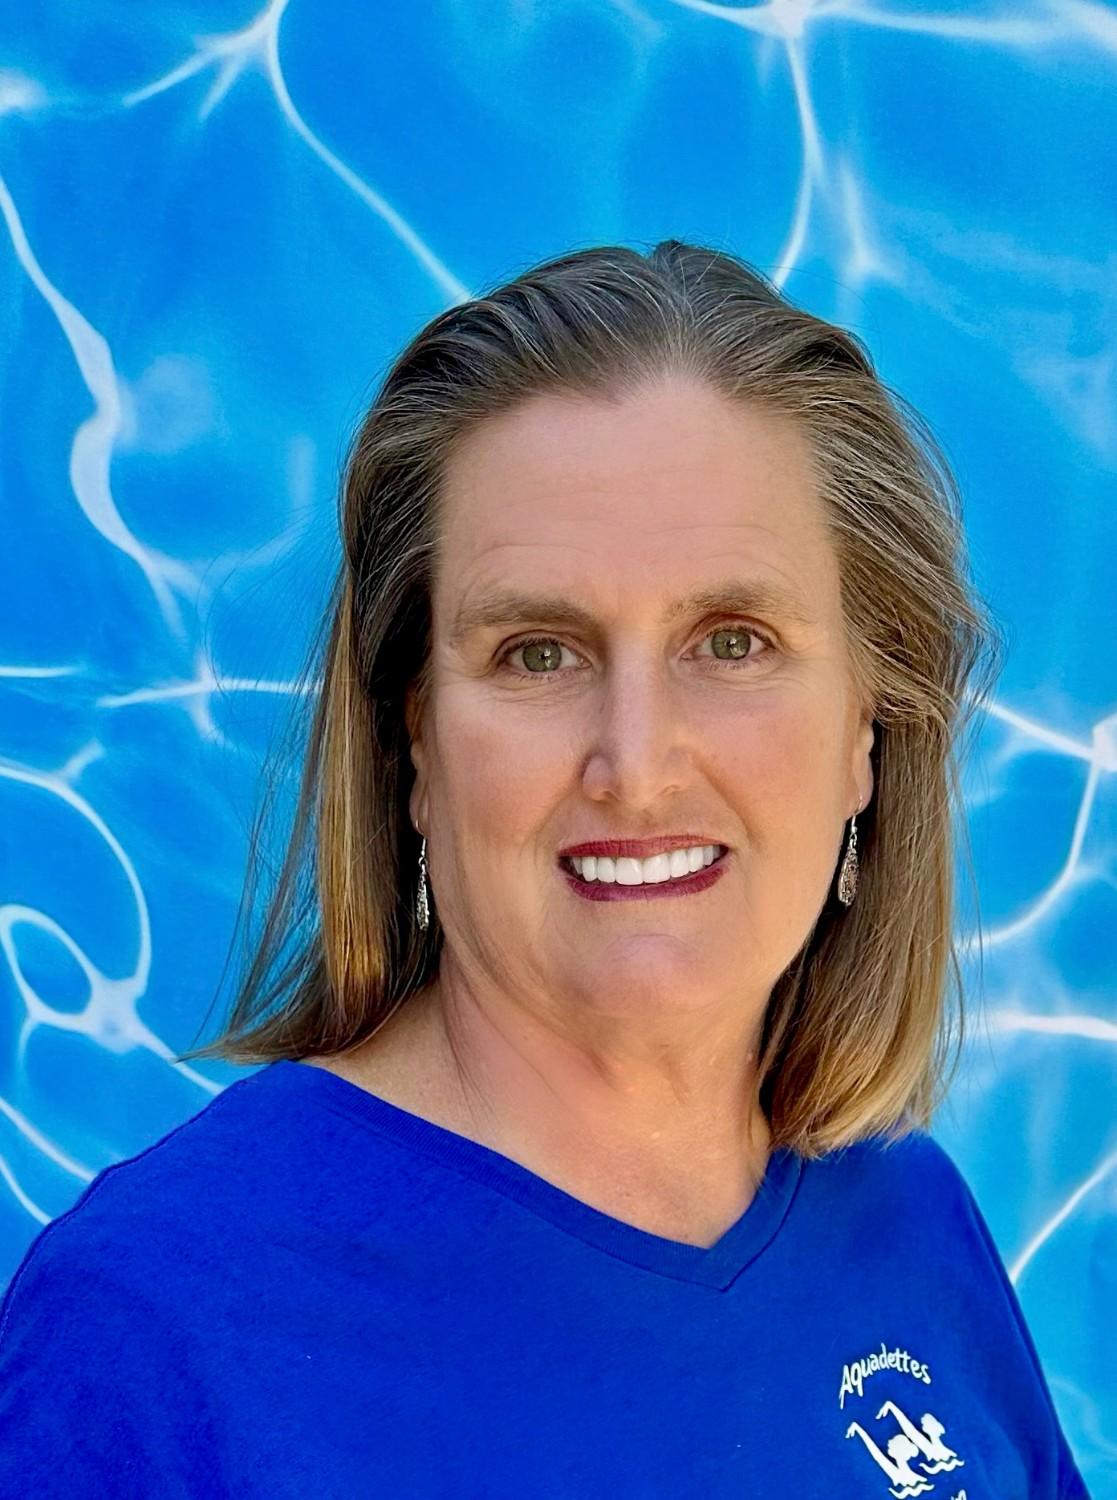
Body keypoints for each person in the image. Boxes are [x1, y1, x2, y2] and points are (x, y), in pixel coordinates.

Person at [0, 240, 1091, 1497]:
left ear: (867, 729)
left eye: (731, 641)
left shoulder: (907, 1220)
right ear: (413, 740)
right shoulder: (153, 1332)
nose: (637, 764)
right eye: (537, 653)